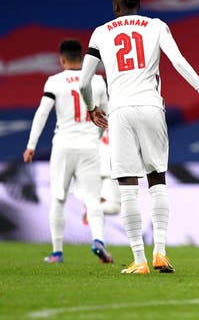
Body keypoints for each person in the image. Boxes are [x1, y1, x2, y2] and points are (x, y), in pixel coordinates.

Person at [79, 0, 199, 274]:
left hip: (119, 110)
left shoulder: (100, 32)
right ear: (140, 4)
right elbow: (179, 61)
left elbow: (84, 82)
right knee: (157, 178)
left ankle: (139, 260)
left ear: (116, 5)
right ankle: (160, 253)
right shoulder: (156, 26)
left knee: (127, 185)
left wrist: (92, 107)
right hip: (151, 107)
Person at [23, 39, 113, 264]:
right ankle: (99, 240)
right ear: (83, 58)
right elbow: (107, 116)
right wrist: (97, 138)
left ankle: (57, 252)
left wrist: (31, 145)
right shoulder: (98, 80)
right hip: (90, 146)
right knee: (93, 199)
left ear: (62, 59)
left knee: (58, 198)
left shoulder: (55, 81)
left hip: (63, 145)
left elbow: (42, 113)